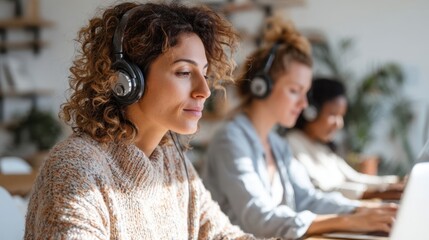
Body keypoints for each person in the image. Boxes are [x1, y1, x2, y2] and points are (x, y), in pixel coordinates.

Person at [24, 2, 262, 239]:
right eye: (184, 73)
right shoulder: (75, 168)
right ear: (126, 80)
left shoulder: (172, 164)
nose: (204, 91)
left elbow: (223, 235)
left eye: (205, 73)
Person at [202, 17, 397, 239]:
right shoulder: (230, 141)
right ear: (261, 87)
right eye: (295, 91)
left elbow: (307, 198)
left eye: (305, 93)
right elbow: (260, 219)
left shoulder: (277, 144)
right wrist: (349, 220)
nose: (304, 104)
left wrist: (362, 210)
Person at [285, 77, 404, 200]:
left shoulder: (323, 148)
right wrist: (375, 194)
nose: (339, 124)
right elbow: (320, 190)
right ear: (311, 111)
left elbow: (356, 178)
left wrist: (396, 181)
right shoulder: (291, 143)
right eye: (333, 114)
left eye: (341, 116)